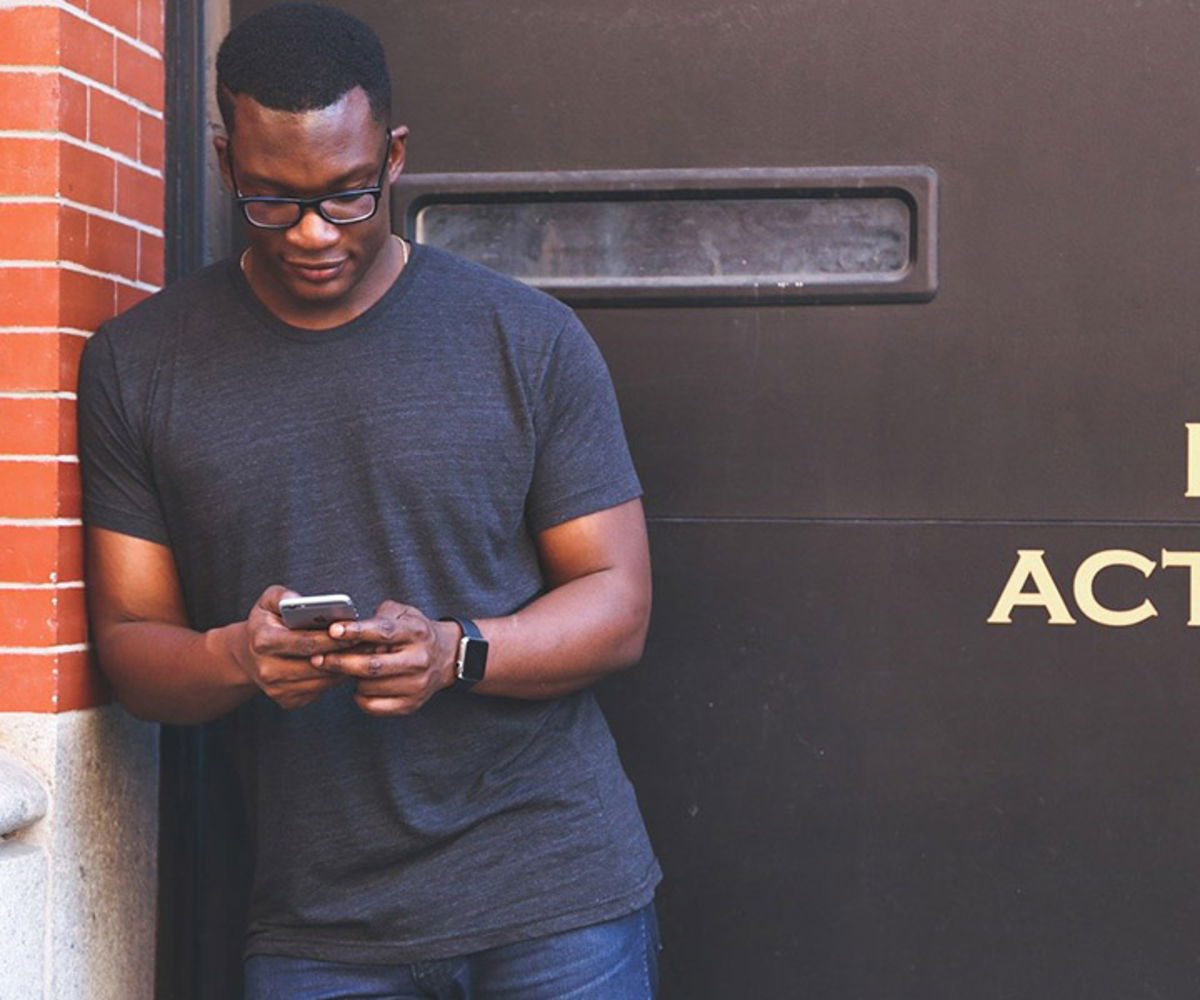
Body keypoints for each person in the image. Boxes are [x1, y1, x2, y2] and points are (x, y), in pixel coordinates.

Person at [77, 3, 662, 996]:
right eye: (271, 199)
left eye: (346, 196)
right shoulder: (140, 365)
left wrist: (455, 651)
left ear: (394, 156)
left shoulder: (525, 338)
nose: (311, 231)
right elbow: (134, 646)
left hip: (555, 892)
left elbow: (619, 603)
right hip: (321, 927)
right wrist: (237, 657)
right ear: (224, 163)